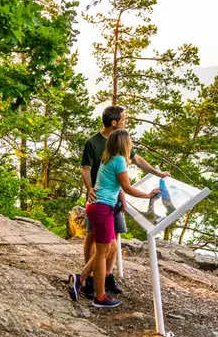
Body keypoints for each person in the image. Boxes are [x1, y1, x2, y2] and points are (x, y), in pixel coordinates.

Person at [78, 105, 167, 298]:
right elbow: (86, 169)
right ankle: (90, 282)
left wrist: (157, 173)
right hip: (99, 200)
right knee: (94, 239)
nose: (126, 122)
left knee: (112, 243)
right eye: (124, 119)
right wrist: (89, 188)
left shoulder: (115, 146)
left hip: (111, 200)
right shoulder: (96, 144)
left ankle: (103, 276)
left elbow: (135, 161)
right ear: (114, 123)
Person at [69, 130, 158, 308]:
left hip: (100, 207)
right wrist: (148, 195)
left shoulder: (108, 157)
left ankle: (80, 278)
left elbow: (117, 187)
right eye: (130, 142)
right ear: (124, 144)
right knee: (102, 253)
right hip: (101, 209)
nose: (131, 145)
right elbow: (127, 187)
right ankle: (100, 297)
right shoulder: (118, 160)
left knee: (112, 247)